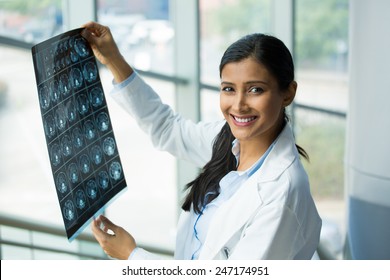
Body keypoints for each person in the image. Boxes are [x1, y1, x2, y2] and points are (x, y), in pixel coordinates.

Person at [82, 21, 322, 260]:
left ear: (288, 93)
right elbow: (168, 129)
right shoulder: (226, 138)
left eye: (255, 90)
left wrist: (132, 256)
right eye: (228, 89)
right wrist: (113, 59)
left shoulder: (283, 192)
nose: (238, 105)